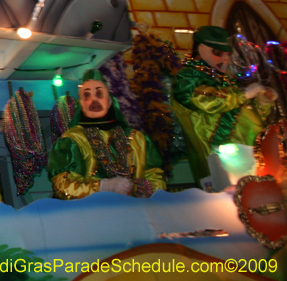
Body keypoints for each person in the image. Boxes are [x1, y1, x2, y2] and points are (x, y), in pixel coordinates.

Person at [171, 26, 275, 184]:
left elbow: (247, 114)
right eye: (218, 53)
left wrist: (262, 102)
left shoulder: (225, 81)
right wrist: (244, 94)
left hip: (250, 156)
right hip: (221, 160)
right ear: (202, 49)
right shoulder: (187, 78)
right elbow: (203, 100)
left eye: (227, 54)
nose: (225, 59)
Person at [48, 70, 166, 200]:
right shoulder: (72, 140)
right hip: (90, 215)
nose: (94, 100)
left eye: (99, 94)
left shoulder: (137, 138)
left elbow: (156, 176)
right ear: (81, 104)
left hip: (135, 213)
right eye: (87, 96)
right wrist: (103, 186)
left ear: (110, 101)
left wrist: (147, 188)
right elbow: (62, 185)